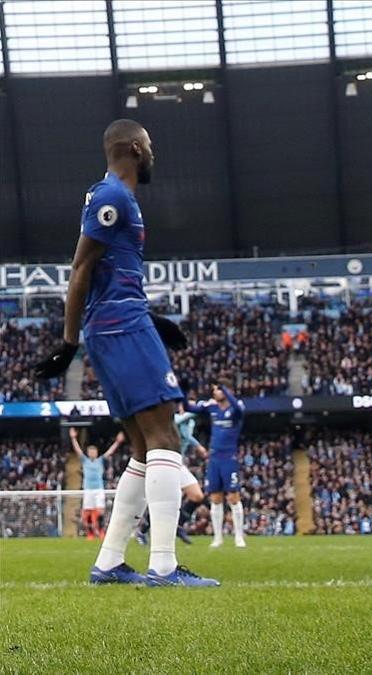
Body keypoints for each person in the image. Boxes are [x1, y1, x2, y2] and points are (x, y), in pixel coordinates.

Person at [34, 118, 217, 587]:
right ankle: (164, 566)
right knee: (165, 440)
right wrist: (69, 342)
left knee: (141, 447)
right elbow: (80, 267)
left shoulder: (116, 198)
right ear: (135, 148)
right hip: (119, 327)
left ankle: (111, 561)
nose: (153, 153)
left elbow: (106, 275)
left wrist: (150, 319)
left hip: (119, 324)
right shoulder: (112, 196)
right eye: (150, 146)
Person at [135, 403, 208, 545]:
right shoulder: (172, 418)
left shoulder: (190, 422)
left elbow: (186, 436)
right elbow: (178, 423)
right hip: (165, 459)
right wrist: (198, 410)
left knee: (197, 495)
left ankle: (178, 525)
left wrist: (197, 445)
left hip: (178, 462)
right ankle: (142, 530)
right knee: (165, 499)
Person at [188, 379, 246, 548]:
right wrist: (184, 394)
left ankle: (239, 537)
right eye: (214, 390)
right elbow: (191, 408)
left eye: (218, 390)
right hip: (214, 458)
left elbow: (238, 409)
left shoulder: (235, 408)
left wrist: (226, 390)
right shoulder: (212, 408)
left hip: (229, 458)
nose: (215, 392)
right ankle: (218, 537)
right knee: (215, 497)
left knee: (233, 497)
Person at [69, 428, 124, 540]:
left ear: (97, 453)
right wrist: (73, 438)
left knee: (100, 511)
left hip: (99, 489)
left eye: (94, 451)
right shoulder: (85, 460)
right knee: (87, 512)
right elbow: (78, 450)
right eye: (91, 451)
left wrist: (117, 442)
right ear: (88, 453)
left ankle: (101, 530)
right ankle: (90, 533)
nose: (93, 453)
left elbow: (110, 451)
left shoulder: (100, 460)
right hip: (88, 490)